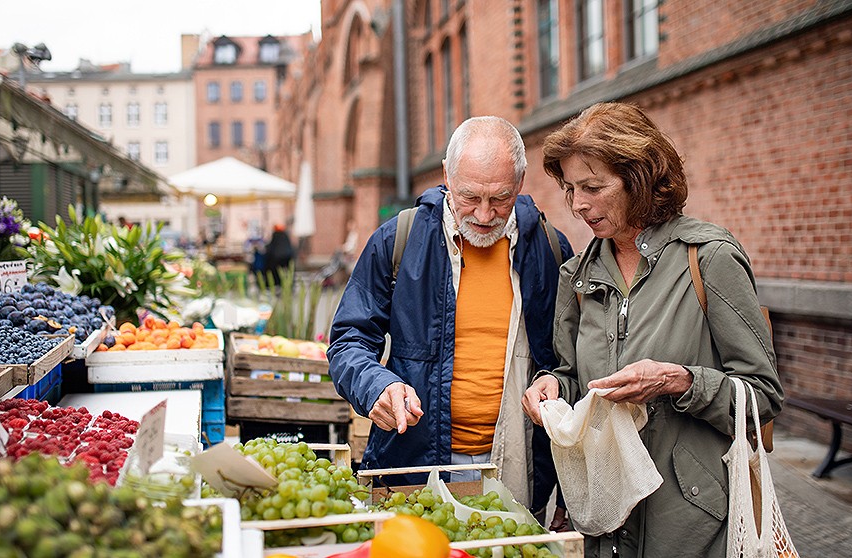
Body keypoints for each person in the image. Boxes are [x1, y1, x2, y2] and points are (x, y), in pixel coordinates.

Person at [522, 102, 784, 557]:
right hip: (606, 523)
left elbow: (762, 398)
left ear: (639, 178)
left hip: (691, 527)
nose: (578, 204)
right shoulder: (576, 277)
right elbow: (576, 378)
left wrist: (677, 381)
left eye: (593, 187)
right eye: (571, 189)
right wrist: (553, 387)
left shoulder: (709, 258)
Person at [327, 116, 574, 506]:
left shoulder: (550, 249)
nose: (484, 215)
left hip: (520, 469)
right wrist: (376, 386)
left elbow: (568, 360)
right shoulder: (397, 240)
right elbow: (348, 341)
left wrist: (554, 381)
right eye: (469, 197)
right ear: (447, 174)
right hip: (415, 466)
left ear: (520, 183)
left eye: (500, 198)